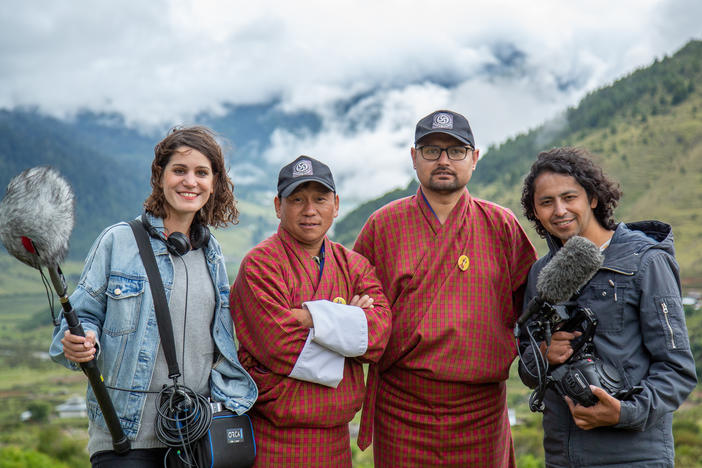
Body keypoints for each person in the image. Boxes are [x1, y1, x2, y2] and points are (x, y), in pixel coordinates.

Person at [49, 126, 258, 467]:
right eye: (179, 170)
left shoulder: (213, 254)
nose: (190, 181)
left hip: (195, 441)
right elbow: (77, 322)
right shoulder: (118, 241)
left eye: (201, 173)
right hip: (125, 439)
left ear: (215, 183)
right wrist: (80, 341)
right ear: (160, 176)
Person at [354, 109, 537, 467]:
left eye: (456, 151)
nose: (443, 160)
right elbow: (353, 305)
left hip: (482, 409)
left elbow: (531, 310)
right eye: (431, 150)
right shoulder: (383, 226)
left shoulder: (501, 226)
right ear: (413, 157)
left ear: (475, 158)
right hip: (403, 406)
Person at [517, 147, 697, 467]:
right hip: (561, 455)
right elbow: (528, 370)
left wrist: (623, 413)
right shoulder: (541, 274)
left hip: (635, 456)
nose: (559, 210)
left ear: (594, 198)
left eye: (569, 197)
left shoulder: (646, 261)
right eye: (546, 202)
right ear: (535, 212)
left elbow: (677, 370)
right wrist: (544, 354)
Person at [230, 155, 392, 467]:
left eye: (320, 199)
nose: (309, 210)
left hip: (335, 443)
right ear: (279, 206)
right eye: (297, 199)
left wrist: (309, 317)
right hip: (272, 440)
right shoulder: (259, 266)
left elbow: (380, 336)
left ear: (336, 204)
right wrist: (348, 324)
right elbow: (279, 345)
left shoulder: (354, 265)